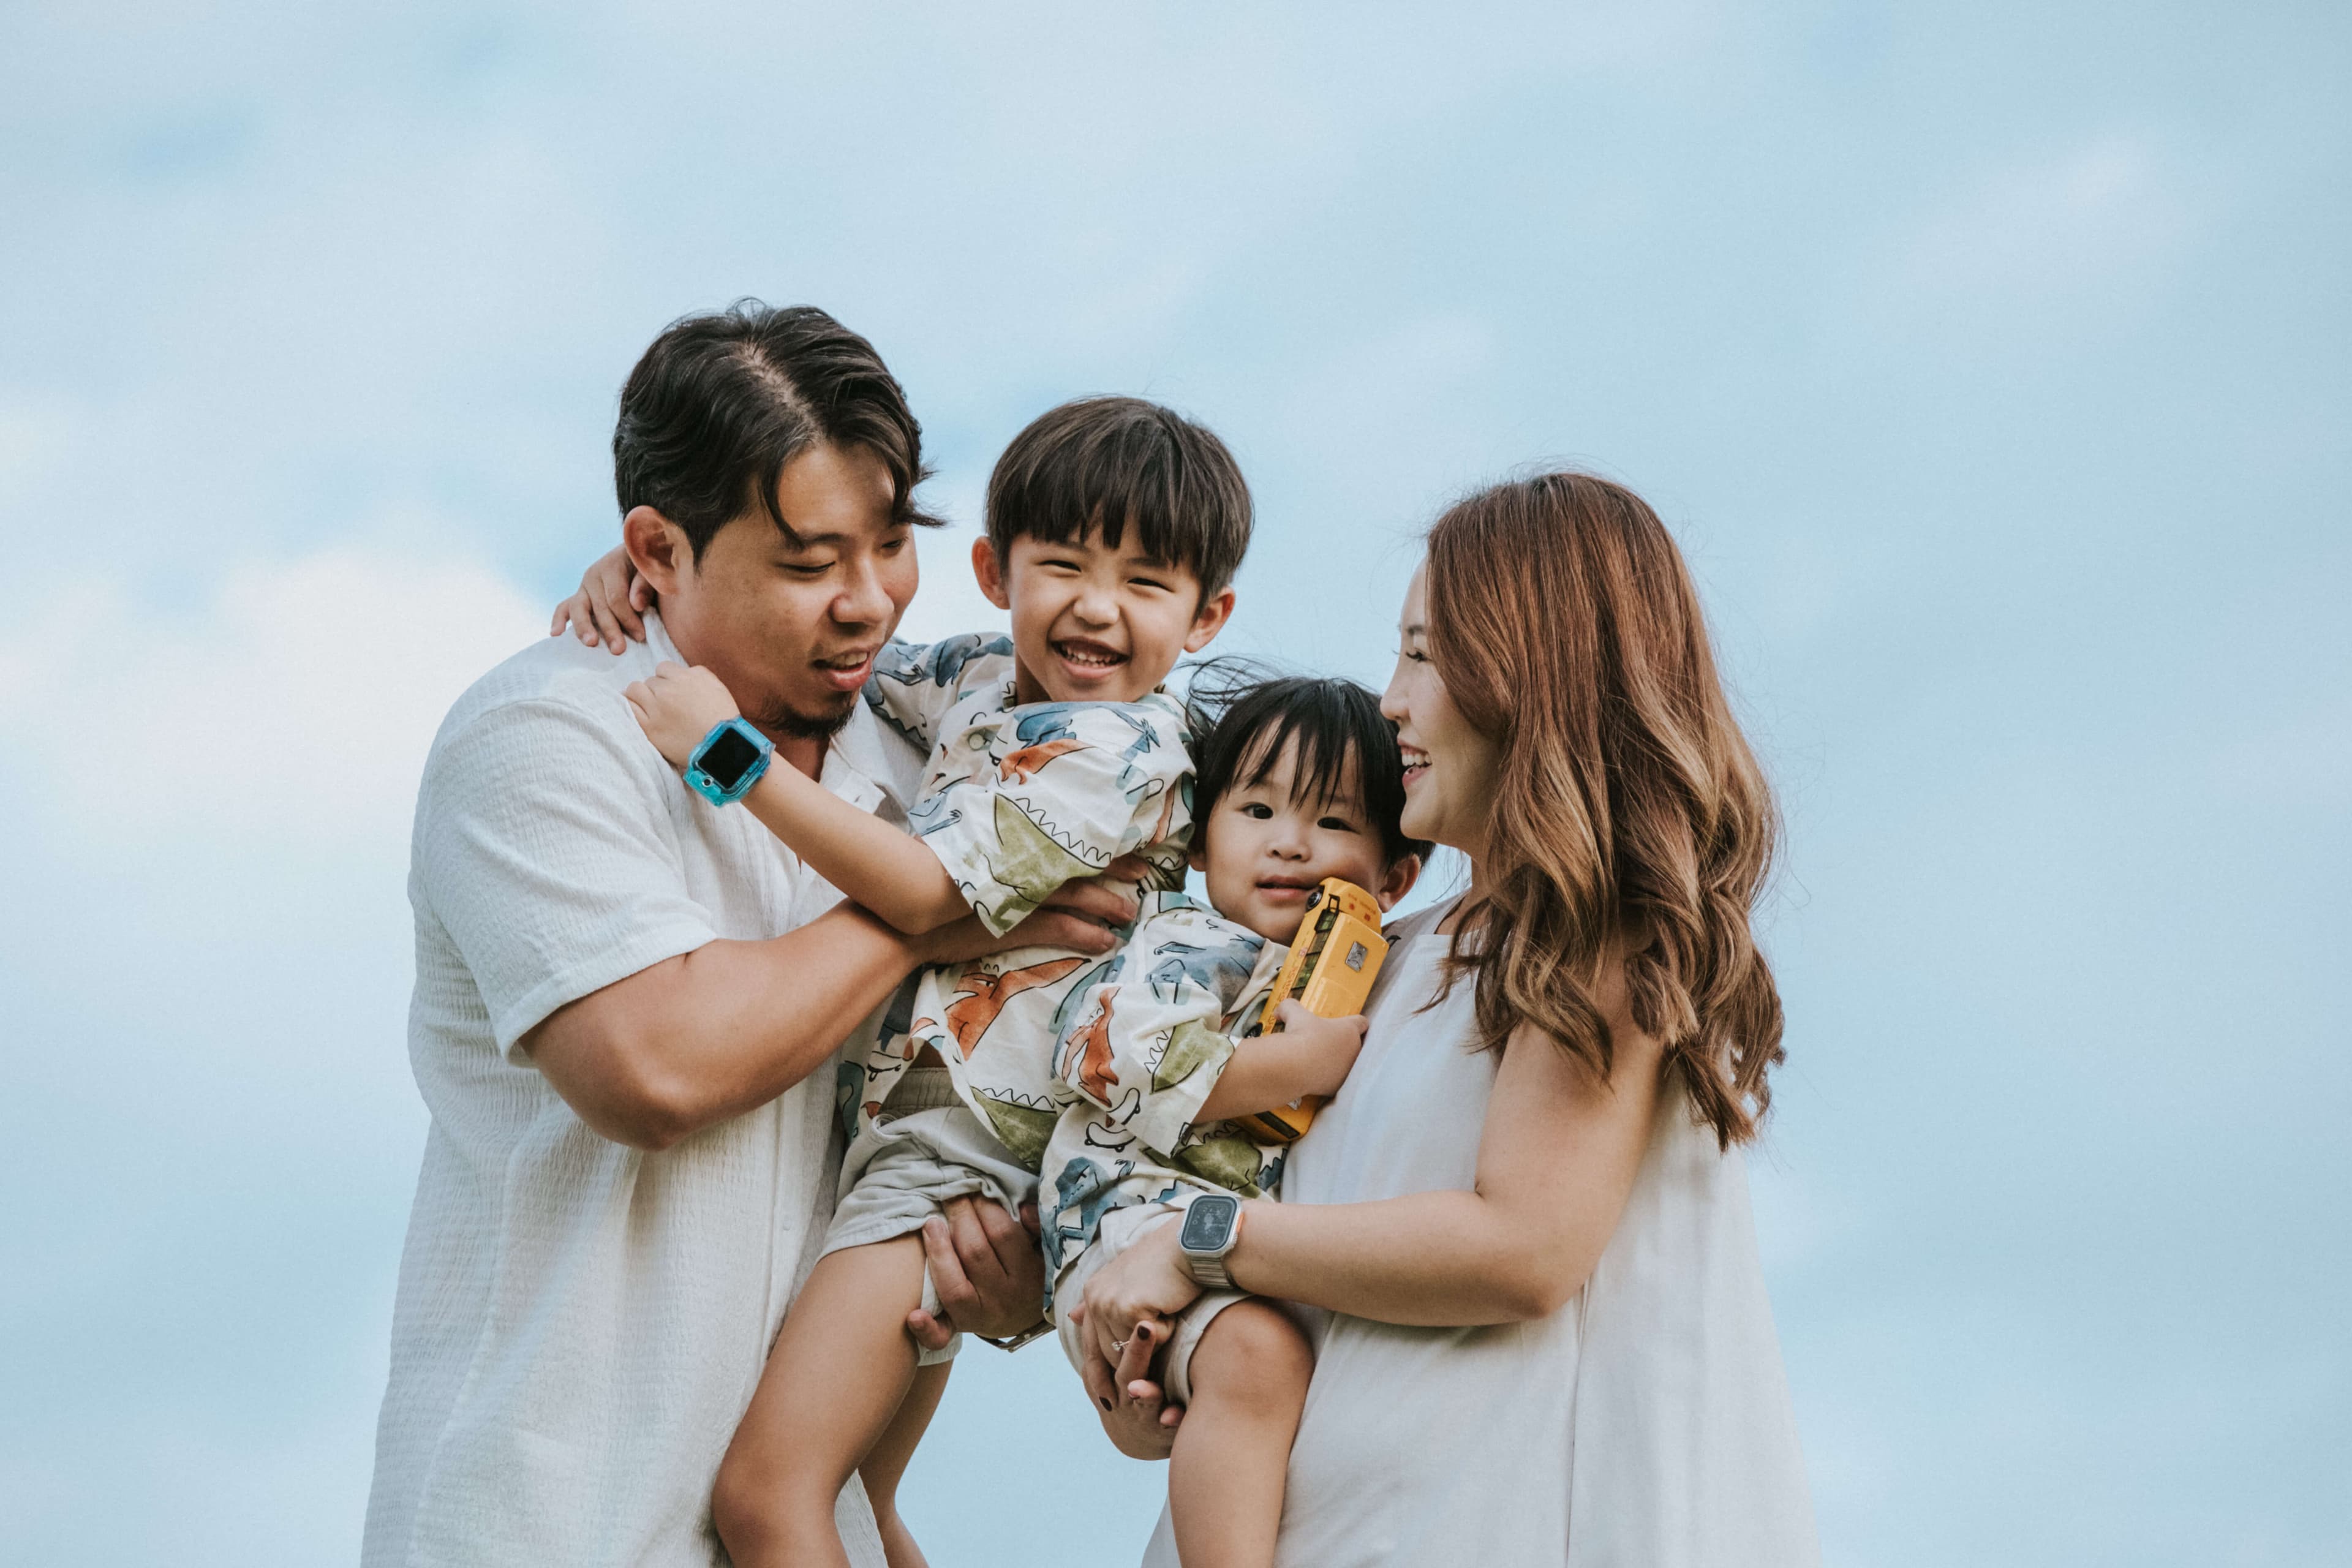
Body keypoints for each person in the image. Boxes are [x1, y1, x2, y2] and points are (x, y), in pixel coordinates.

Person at [363, 303, 1121, 1568]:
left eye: (893, 542)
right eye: (808, 560)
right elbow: (660, 1066)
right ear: (654, 548)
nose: (868, 599)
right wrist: (946, 904)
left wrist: (1004, 1284)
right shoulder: (547, 737)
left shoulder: (943, 747)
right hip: (554, 1525)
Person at [597, 401, 1416, 1568]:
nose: (1096, 605)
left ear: (1206, 616)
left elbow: (927, 891)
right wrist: (650, 574)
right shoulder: (983, 680)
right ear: (993, 571)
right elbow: (860, 673)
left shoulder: (1119, 757)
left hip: (958, 1153)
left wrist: (719, 755)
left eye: (1145, 582)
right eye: (1064, 564)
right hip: (931, 1137)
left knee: (768, 1498)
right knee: (860, 1514)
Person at [1080, 471, 1822, 1566]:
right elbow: (1314, 1281)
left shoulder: (1604, 930)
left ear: (1532, 670)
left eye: (1423, 653)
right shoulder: (1383, 961)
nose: (1390, 700)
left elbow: (1522, 1248)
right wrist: (1145, 1352)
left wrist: (1203, 1247)